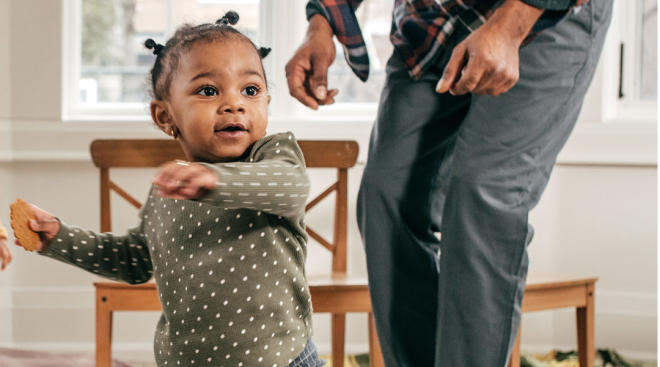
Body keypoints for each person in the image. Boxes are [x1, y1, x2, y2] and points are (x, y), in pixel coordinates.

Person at [286, 0, 612, 366]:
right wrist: (321, 24)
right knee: (386, 195)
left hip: (545, 17)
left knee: (481, 193)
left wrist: (511, 23)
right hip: (434, 21)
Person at [20, 11, 323, 367]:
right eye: (208, 90)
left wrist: (216, 181)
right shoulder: (169, 190)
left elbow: (290, 187)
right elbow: (134, 260)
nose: (234, 103)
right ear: (165, 117)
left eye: (251, 90)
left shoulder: (271, 157)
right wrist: (60, 238)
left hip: (280, 359)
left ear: (266, 103)